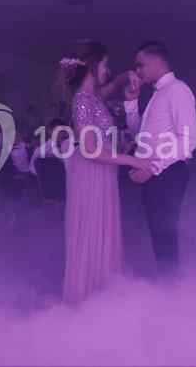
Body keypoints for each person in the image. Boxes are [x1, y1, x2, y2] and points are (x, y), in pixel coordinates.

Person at [60, 40, 155, 303]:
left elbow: (114, 85)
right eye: (105, 65)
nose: (108, 70)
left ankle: (100, 293)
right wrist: (133, 160)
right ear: (92, 66)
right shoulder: (82, 101)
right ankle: (85, 297)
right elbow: (90, 150)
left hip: (101, 173)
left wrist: (129, 76)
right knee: (91, 231)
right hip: (90, 172)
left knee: (102, 228)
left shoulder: (94, 95)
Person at [124, 41, 196, 277]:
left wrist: (152, 166)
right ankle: (169, 289)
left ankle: (173, 293)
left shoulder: (177, 90)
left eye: (141, 65)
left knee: (165, 236)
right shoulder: (158, 94)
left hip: (167, 173)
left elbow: (189, 139)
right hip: (157, 174)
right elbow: (141, 136)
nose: (137, 71)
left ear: (158, 61)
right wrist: (131, 103)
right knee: (159, 236)